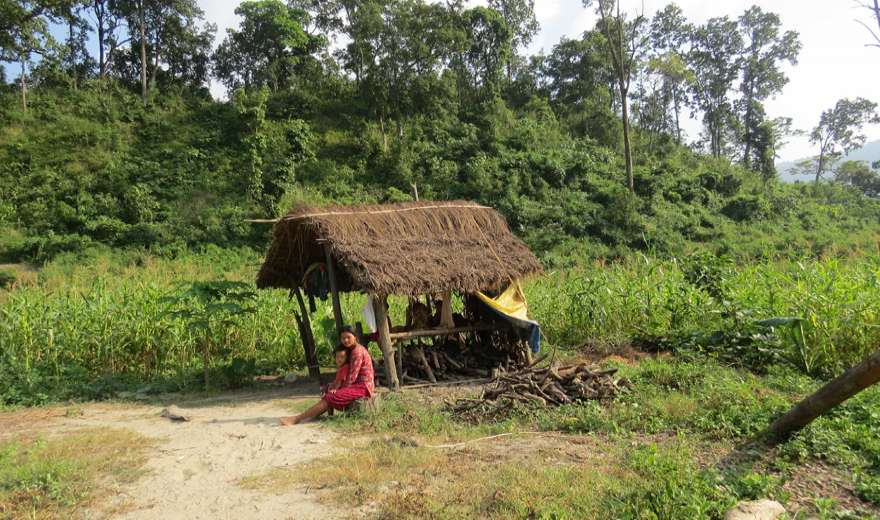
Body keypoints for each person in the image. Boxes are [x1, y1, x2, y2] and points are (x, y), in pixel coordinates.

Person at [280, 326, 374, 426]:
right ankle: (312, 415)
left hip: (363, 387)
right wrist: (334, 386)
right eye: (343, 338)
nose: (345, 340)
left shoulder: (357, 351)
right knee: (328, 388)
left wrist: (339, 390)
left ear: (355, 337)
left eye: (348, 337)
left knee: (331, 395)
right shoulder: (351, 350)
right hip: (356, 385)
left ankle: (297, 419)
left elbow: (352, 377)